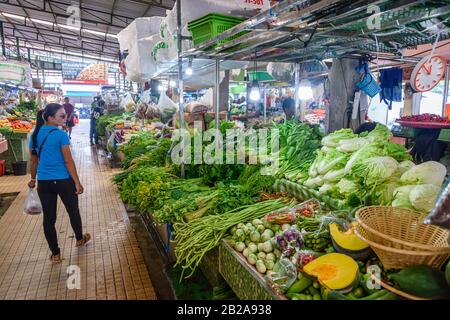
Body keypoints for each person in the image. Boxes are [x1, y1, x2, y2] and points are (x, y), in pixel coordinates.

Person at [28, 103, 90, 264]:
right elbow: (68, 161)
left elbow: (33, 161)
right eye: (62, 116)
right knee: (73, 211)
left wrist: (33, 179)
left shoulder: (34, 136)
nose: (66, 118)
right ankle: (79, 239)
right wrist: (77, 182)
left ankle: (55, 253)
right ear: (50, 118)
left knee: (49, 219)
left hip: (44, 183)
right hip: (63, 180)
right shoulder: (61, 135)